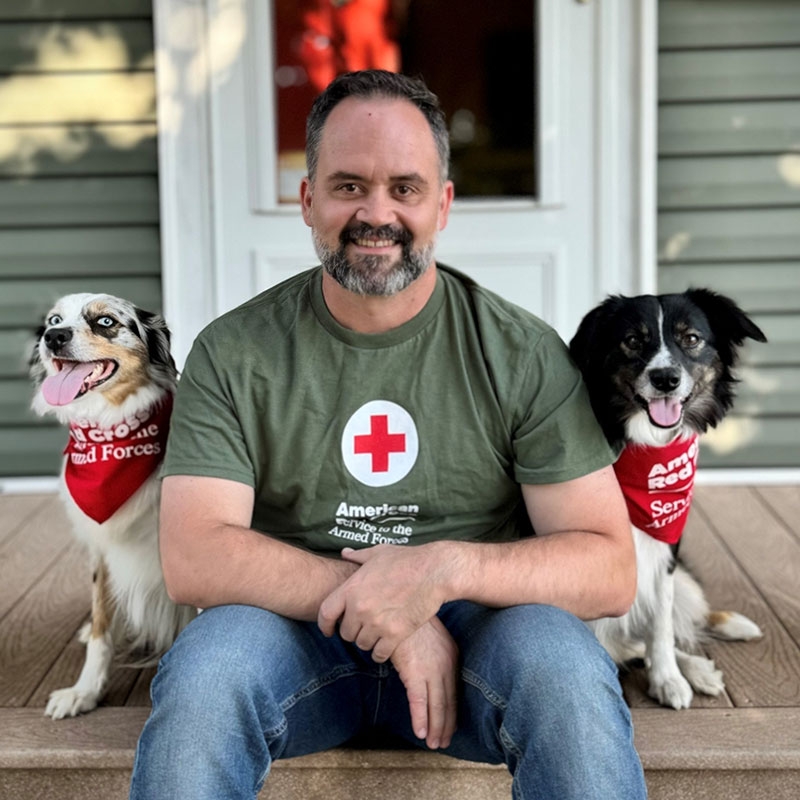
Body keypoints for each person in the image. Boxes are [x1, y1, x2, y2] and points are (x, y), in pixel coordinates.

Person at [129, 69, 646, 799]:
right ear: (308, 200)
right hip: (292, 633)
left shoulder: (519, 352)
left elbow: (606, 569)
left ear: (443, 204)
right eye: (348, 186)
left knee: (564, 670)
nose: (378, 212)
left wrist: (443, 574)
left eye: (405, 188)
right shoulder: (236, 351)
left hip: (478, 641)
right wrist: (395, 610)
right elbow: (193, 553)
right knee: (206, 677)